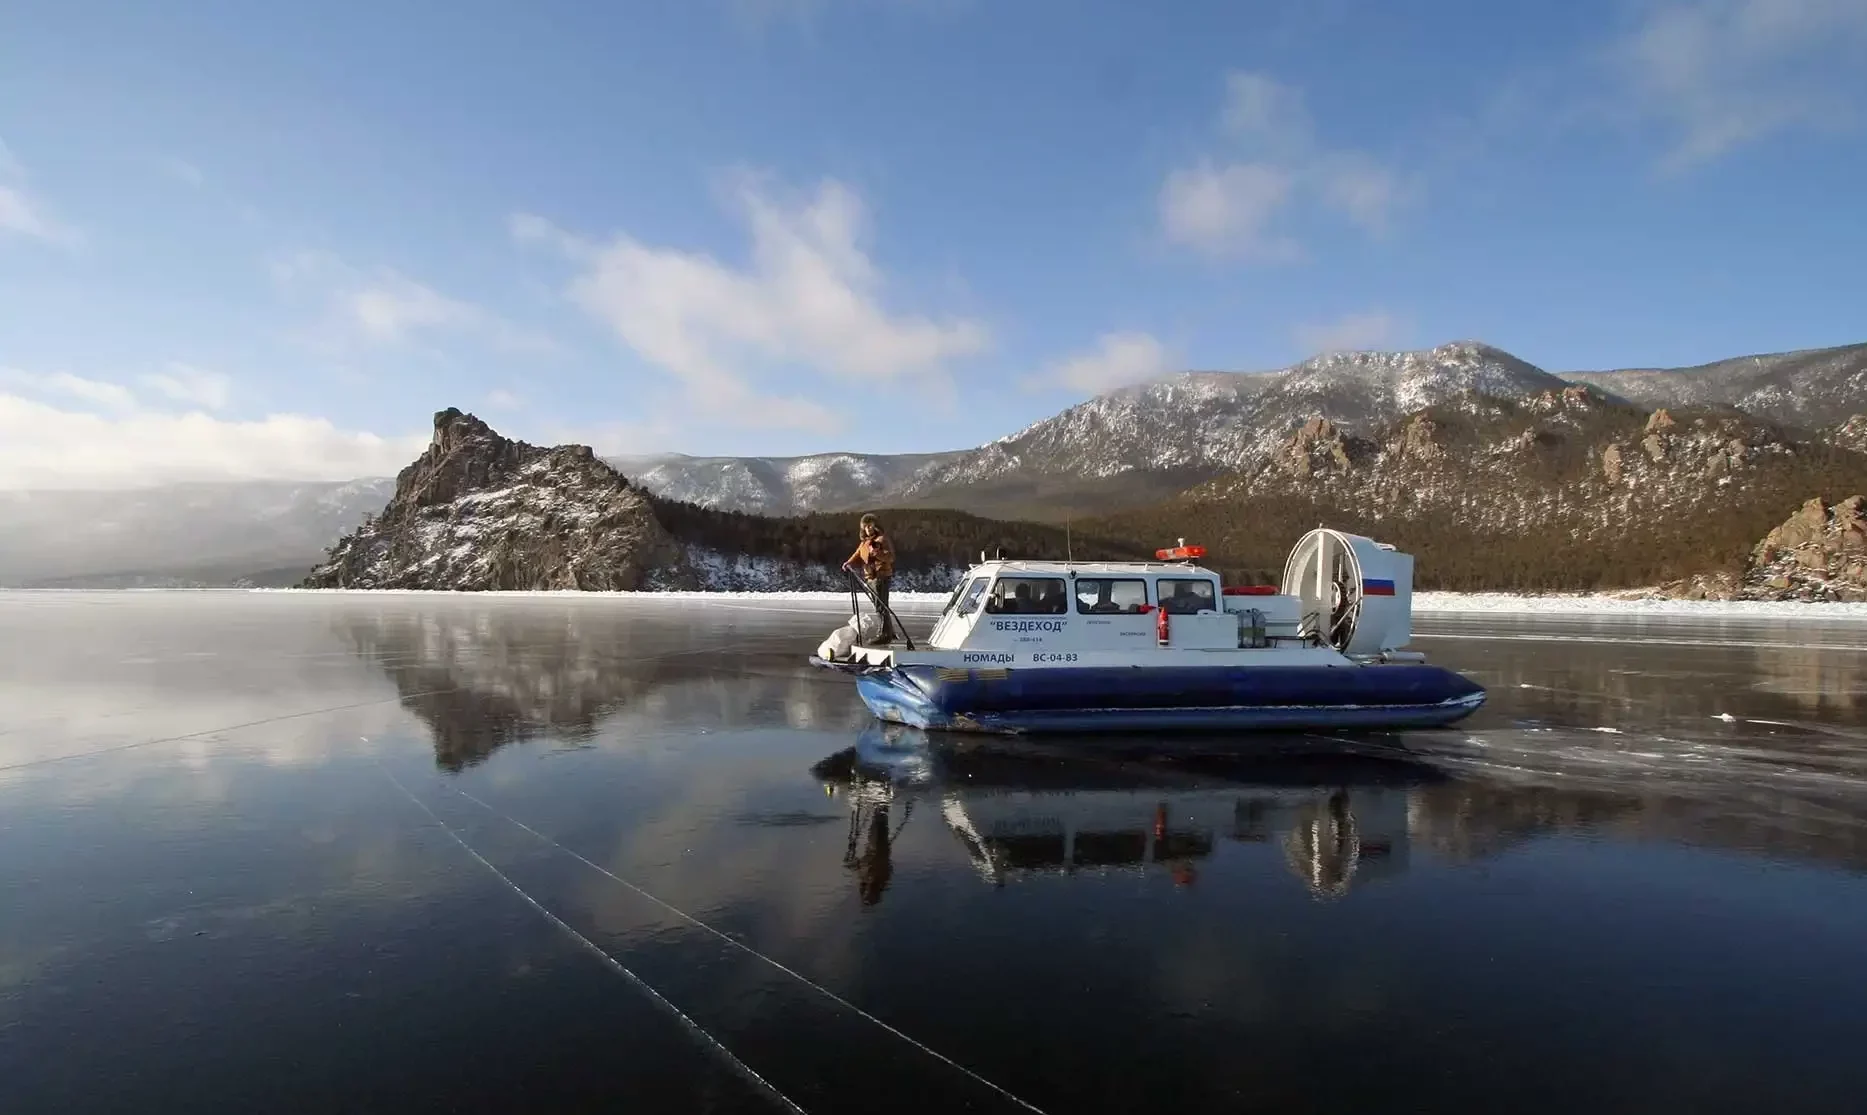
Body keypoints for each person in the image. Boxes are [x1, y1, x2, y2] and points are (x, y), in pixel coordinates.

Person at [842, 513, 896, 643]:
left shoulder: (882, 540)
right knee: (879, 605)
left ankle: (884, 634)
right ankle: (889, 632)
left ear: (875, 526)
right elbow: (857, 554)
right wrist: (848, 563)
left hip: (881, 577)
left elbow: (890, 557)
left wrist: (876, 553)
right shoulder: (864, 543)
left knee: (881, 606)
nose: (868, 529)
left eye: (870, 526)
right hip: (870, 578)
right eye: (866, 527)